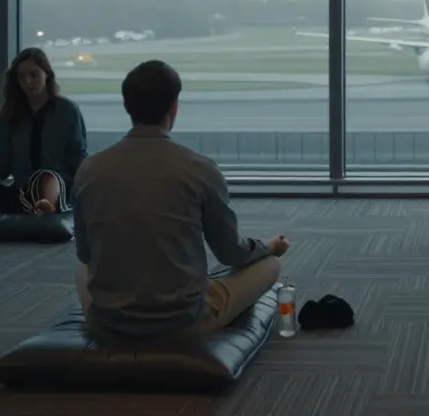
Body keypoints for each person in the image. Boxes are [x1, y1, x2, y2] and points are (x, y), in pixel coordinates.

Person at [72, 60, 286, 341]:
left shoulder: (89, 169)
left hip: (109, 322)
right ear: (174, 107)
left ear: (127, 107)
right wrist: (267, 247)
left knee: (80, 266)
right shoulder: (199, 168)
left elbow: (86, 254)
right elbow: (231, 253)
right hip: (182, 321)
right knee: (270, 265)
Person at [0, 48, 87, 215]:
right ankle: (31, 205)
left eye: (34, 75)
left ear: (46, 74)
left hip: (59, 185)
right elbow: (2, 163)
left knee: (47, 176)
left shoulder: (67, 110)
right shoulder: (10, 112)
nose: (28, 81)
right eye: (21, 77)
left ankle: (47, 204)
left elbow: (78, 154)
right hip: (22, 188)